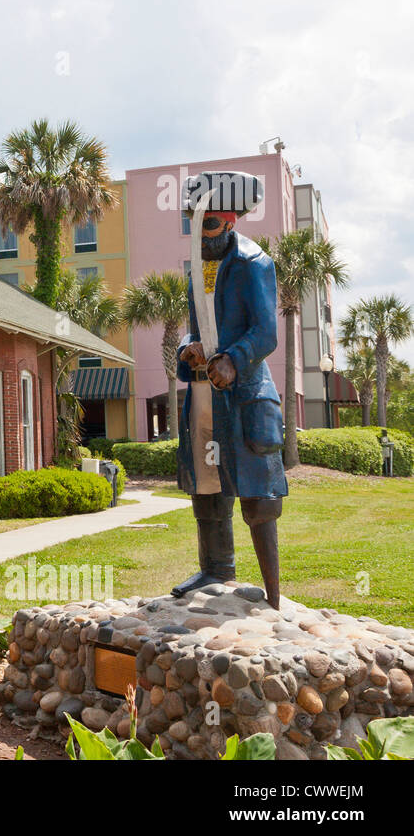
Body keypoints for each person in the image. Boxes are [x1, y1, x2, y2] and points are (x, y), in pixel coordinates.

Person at [172, 171, 288, 609]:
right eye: (194, 222)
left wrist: (233, 359)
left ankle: (273, 592)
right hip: (203, 394)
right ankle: (216, 567)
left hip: (243, 395)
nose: (200, 233)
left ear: (230, 222)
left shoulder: (253, 263)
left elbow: (265, 331)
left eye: (209, 223)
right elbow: (193, 327)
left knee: (259, 495)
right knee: (207, 485)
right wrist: (189, 348)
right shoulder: (196, 270)